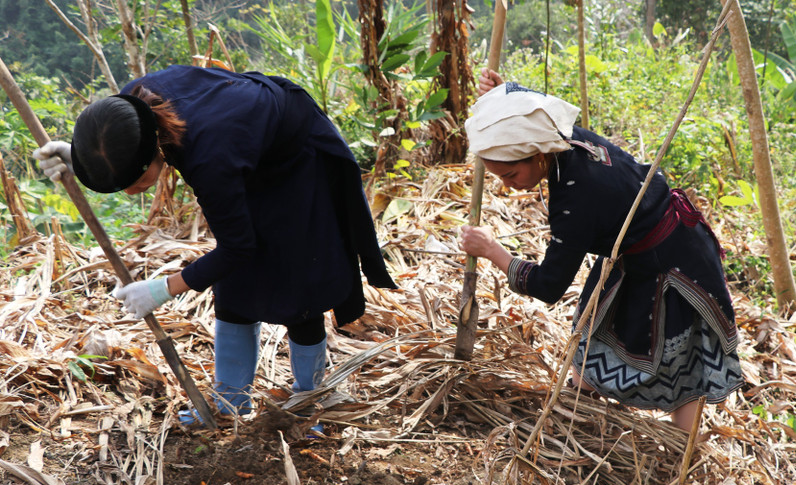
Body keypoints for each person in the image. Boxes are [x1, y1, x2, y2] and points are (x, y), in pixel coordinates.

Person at [34, 65, 397, 427]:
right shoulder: (129, 110)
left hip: (293, 158)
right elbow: (112, 144)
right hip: (244, 149)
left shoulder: (210, 156)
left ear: (153, 154)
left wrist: (163, 289)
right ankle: (230, 400)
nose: (129, 192)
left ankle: (311, 398)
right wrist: (82, 158)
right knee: (236, 286)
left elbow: (237, 249)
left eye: (130, 182)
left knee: (297, 284)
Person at [458, 69, 743, 431]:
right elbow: (531, 106)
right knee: (592, 335)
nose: (507, 186)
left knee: (681, 362)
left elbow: (549, 285)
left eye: (510, 175)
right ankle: (582, 414)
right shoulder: (558, 136)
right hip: (641, 250)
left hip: (674, 264)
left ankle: (680, 457)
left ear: (537, 156)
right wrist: (500, 99)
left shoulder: (574, 196)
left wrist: (492, 250)